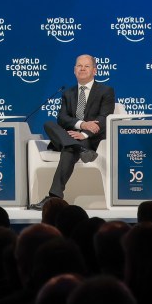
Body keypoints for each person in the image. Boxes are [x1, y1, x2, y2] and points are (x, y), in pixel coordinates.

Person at [32, 54, 116, 207]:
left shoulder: (106, 91)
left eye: (86, 66)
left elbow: (104, 118)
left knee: (69, 149)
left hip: (89, 140)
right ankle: (79, 149)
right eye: (79, 66)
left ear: (94, 71)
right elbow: (62, 118)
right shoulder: (68, 93)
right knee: (49, 124)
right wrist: (82, 125)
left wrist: (83, 134)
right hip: (69, 137)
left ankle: (54, 197)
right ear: (74, 70)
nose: (82, 69)